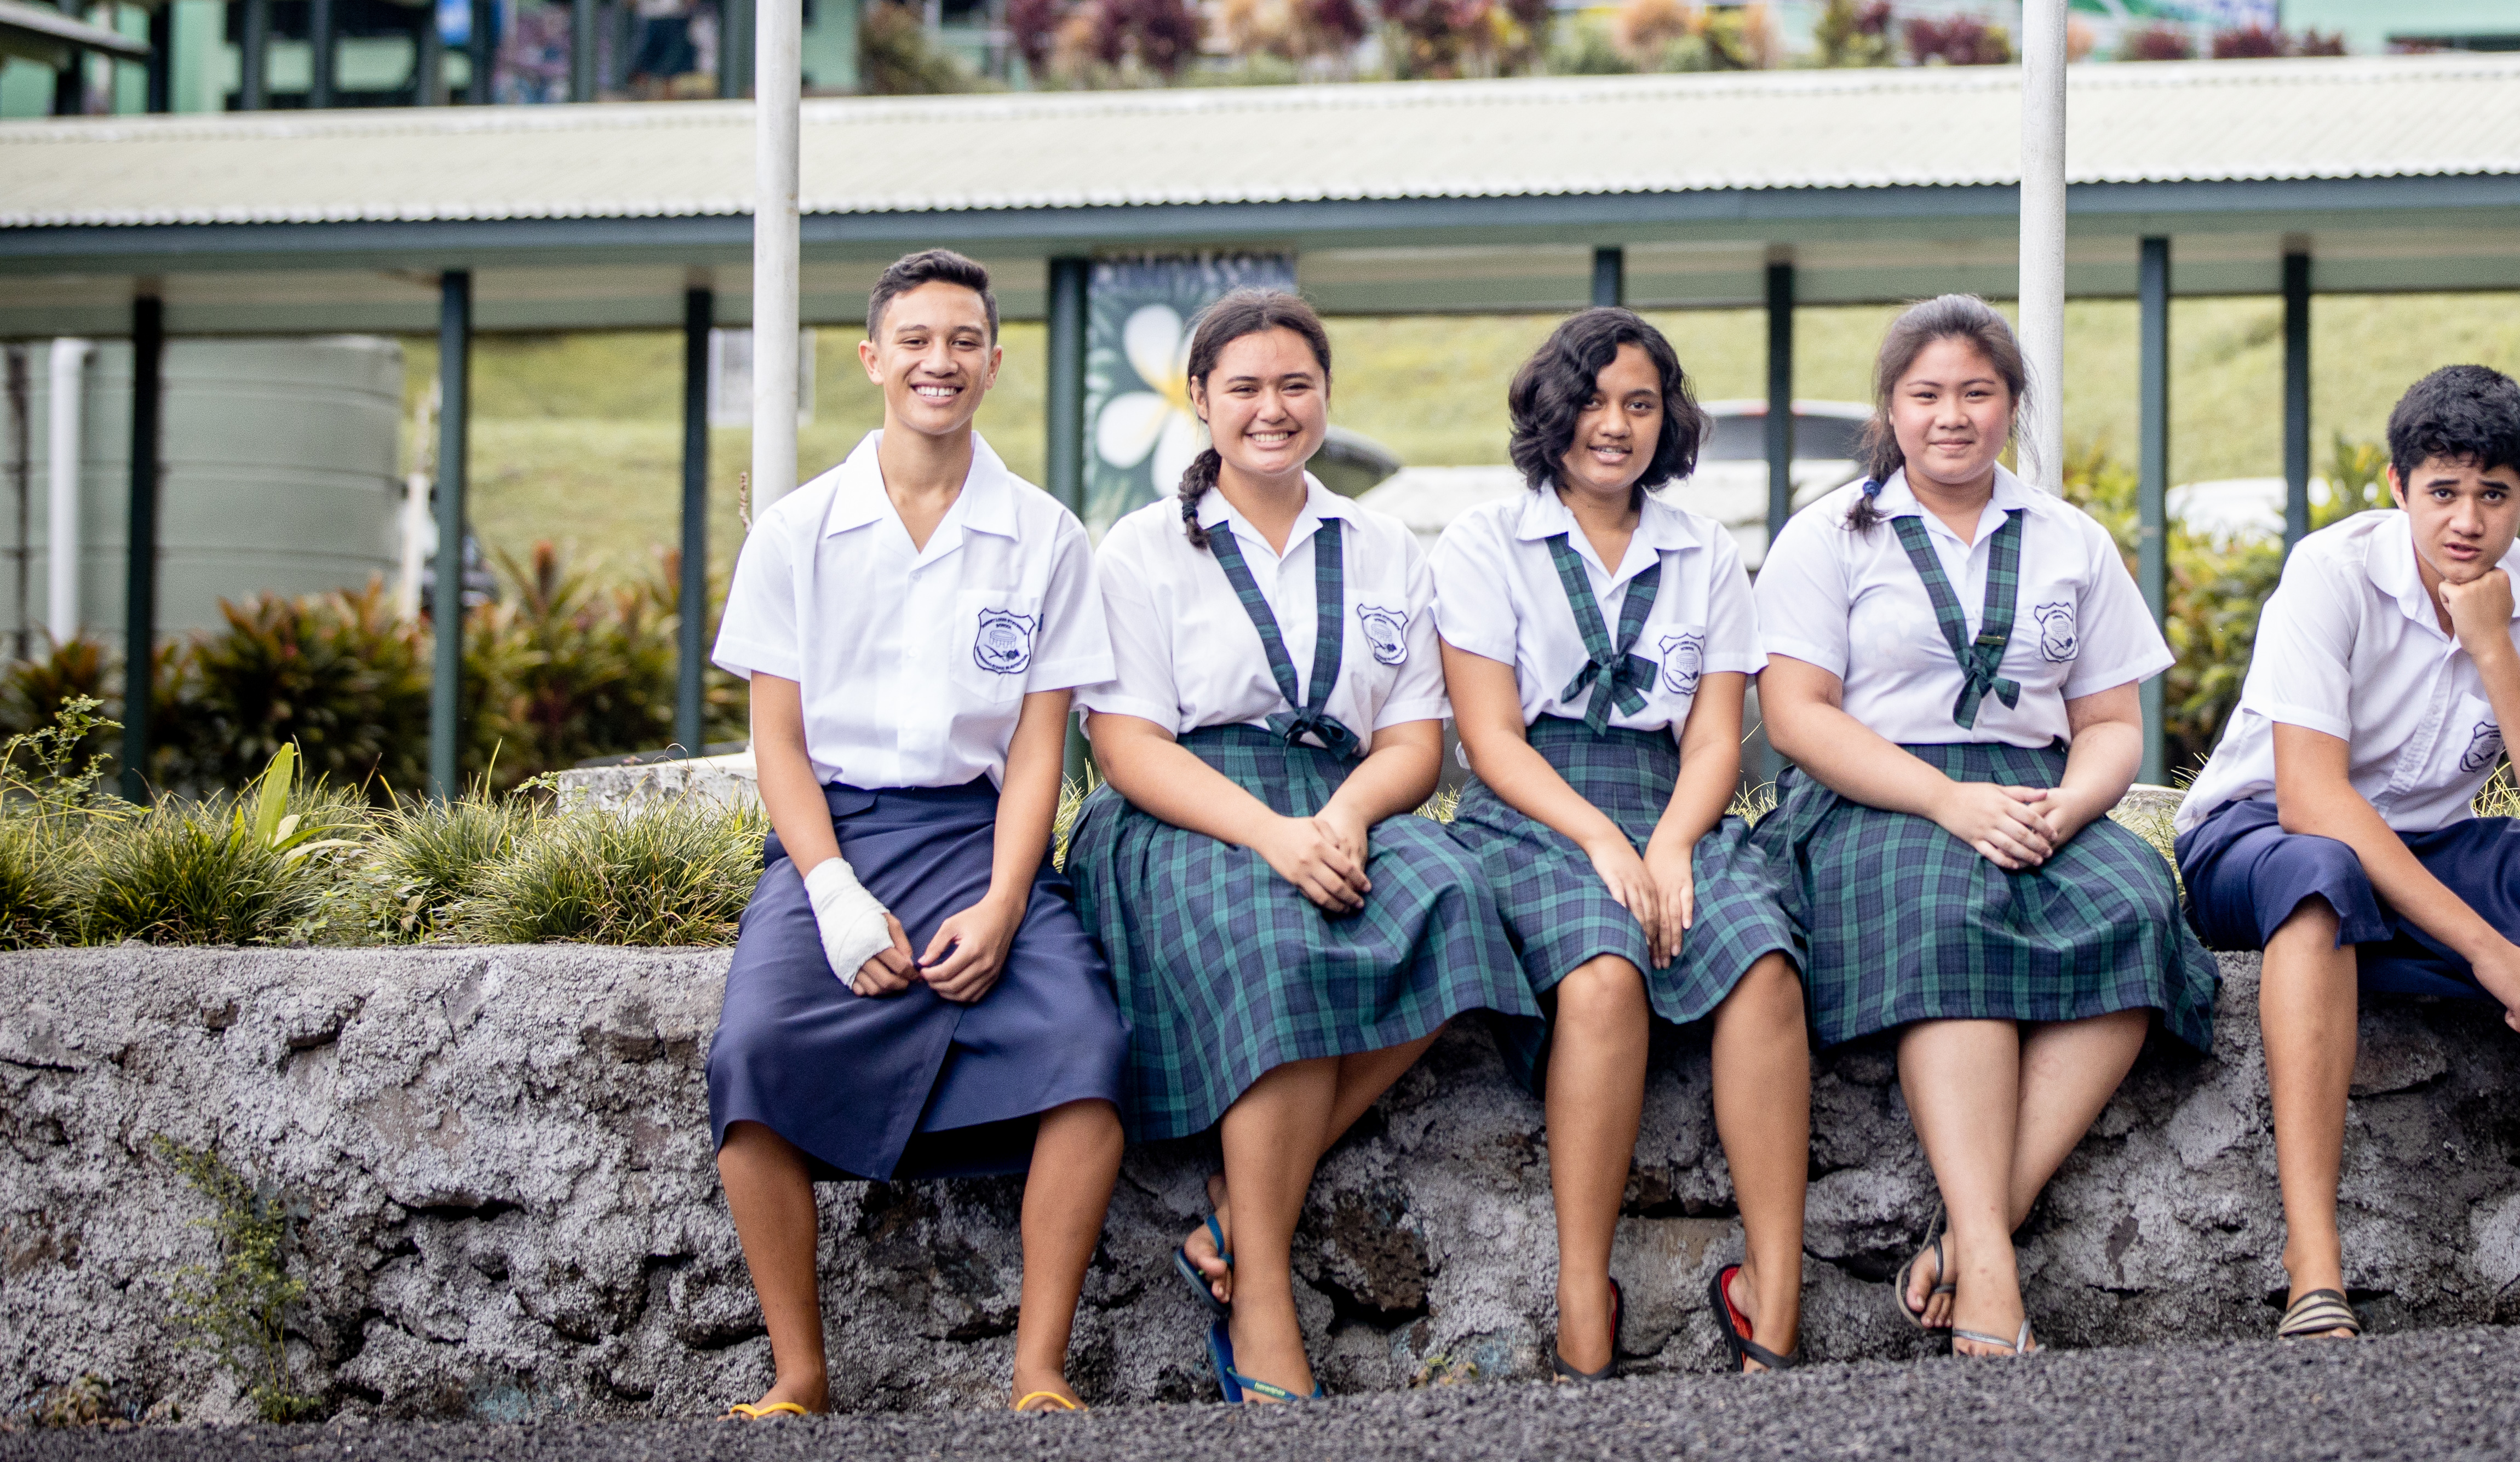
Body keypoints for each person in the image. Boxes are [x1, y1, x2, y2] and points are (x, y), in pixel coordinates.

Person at [2172, 365, 2520, 1338]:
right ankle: (2314, 1268)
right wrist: (2486, 947)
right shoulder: (2331, 573)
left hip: (2428, 850)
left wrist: (2496, 648)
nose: (2467, 520)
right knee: (2322, 873)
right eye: (2444, 492)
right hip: (2258, 840)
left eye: (2494, 494)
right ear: (2397, 485)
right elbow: (2313, 797)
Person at [1066, 288, 1534, 1405]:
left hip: (1339, 796)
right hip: (1188, 809)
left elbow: (1415, 740)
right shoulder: (1139, 548)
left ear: (1325, 394)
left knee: (1456, 899)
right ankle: (1263, 1290)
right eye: (1243, 388)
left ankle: (1231, 1218)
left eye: (1294, 385)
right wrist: (1276, 836)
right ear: (1198, 402)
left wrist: (1345, 816)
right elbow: (1126, 745)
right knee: (1280, 945)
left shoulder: (1380, 545)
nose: (1271, 409)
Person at [703, 247, 1128, 1418]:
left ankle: (1038, 1371)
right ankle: (799, 1374)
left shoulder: (1043, 536)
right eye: (916, 341)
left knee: (1086, 1055)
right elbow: (778, 745)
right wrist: (832, 894)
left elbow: (1043, 747)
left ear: (995, 360)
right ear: (872, 358)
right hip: (828, 841)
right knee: (749, 1068)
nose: (939, 363)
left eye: (963, 342)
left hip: (977, 838)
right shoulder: (796, 532)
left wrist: (1003, 904)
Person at [1754, 294, 2217, 1361]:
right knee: (1945, 908)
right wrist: (1943, 799)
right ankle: (1994, 1275)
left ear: (2011, 404)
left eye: (1976, 392)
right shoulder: (1828, 536)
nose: (1950, 416)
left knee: (2136, 908)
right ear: (1891, 406)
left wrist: (2071, 805)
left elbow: (2109, 725)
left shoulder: (2069, 540)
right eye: (1926, 394)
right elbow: (1796, 715)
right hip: (1881, 789)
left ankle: (1968, 1231)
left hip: (2036, 792)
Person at [1433, 308, 1811, 1381]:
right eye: (1593, 400)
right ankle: (1580, 1285)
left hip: (1670, 799)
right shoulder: (1483, 542)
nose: (1615, 424)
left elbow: (1711, 737)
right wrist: (1603, 839)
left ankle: (1773, 1289)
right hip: (1538, 806)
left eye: (1640, 404)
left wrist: (1679, 842)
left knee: (1762, 967)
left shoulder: (1704, 550)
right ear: (1550, 411)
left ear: (1667, 420)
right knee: (1602, 978)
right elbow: (1490, 738)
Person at [625, 0, 700, 96]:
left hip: (672, 21)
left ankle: (668, 96)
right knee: (644, 62)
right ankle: (643, 95)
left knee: (670, 65)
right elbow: (629, 2)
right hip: (650, 21)